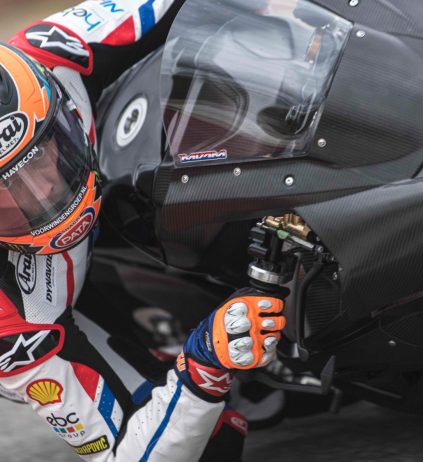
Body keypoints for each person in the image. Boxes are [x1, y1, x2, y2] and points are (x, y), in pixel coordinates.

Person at [0, 1, 286, 460]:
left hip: (102, 202)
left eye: (43, 154)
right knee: (208, 446)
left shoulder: (50, 51)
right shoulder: (11, 328)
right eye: (6, 191)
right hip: (54, 311)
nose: (44, 191)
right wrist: (202, 368)